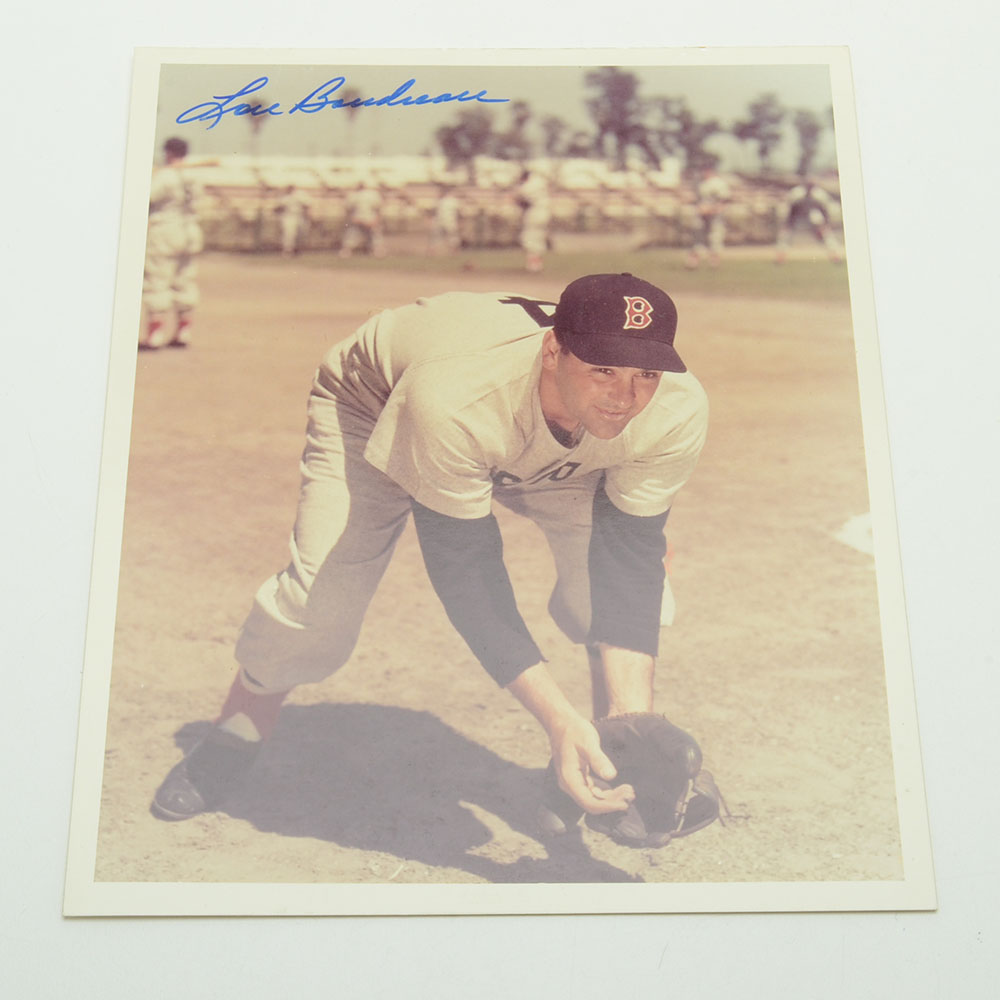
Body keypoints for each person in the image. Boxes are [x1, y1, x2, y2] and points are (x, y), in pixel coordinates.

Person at [151, 273, 709, 831]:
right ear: (553, 350)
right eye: (603, 368)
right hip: (375, 402)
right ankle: (237, 728)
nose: (625, 395)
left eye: (646, 374)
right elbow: (466, 569)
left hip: (523, 427)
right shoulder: (456, 397)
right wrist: (557, 721)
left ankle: (605, 750)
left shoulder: (673, 410)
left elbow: (628, 560)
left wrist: (635, 722)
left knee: (637, 602)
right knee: (320, 610)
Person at [140, 137, 204, 349]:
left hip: (166, 230)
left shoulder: (166, 175)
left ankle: (155, 335)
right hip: (190, 230)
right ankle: (183, 332)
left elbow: (146, 197)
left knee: (158, 278)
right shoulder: (194, 175)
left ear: (168, 152)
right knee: (184, 280)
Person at [775, 179, 843, 263]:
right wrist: (788, 222)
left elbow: (826, 208)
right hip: (797, 216)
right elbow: (789, 207)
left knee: (826, 235)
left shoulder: (820, 193)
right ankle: (780, 257)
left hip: (813, 216)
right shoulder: (796, 192)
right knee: (785, 236)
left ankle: (835, 256)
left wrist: (825, 222)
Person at [685, 165, 730, 270]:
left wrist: (711, 209)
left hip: (715, 216)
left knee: (715, 239)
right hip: (701, 214)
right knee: (697, 238)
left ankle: (714, 264)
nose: (704, 172)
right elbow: (696, 199)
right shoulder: (699, 182)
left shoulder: (718, 183)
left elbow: (724, 200)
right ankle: (693, 263)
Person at [515, 168, 552, 272]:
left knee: (529, 238)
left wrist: (517, 200)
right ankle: (538, 264)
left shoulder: (526, 186)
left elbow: (522, 202)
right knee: (538, 238)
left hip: (534, 213)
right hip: (545, 213)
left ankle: (533, 265)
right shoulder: (540, 183)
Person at [339, 180, 385, 258]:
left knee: (374, 236)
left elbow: (378, 208)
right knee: (352, 235)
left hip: (368, 218)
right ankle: (346, 251)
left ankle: (377, 251)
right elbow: (348, 209)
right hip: (361, 218)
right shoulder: (354, 195)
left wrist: (377, 219)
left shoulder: (371, 194)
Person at [276, 185, 311, 257]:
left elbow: (306, 205)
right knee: (289, 233)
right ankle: (287, 251)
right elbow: (280, 207)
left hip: (299, 215)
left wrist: (307, 215)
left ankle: (296, 250)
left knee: (300, 233)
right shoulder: (284, 197)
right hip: (289, 216)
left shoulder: (300, 195)